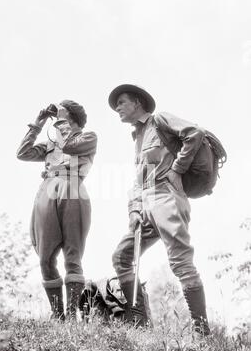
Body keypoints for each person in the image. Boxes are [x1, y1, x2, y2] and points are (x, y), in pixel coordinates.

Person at [108, 84, 210, 335]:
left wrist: (177, 169)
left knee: (181, 262)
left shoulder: (159, 121)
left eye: (121, 102)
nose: (117, 108)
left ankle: (202, 333)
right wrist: (133, 209)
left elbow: (194, 133)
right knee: (122, 257)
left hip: (167, 195)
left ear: (137, 103)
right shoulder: (138, 136)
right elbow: (139, 179)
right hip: (147, 204)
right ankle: (141, 325)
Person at [16, 100, 97, 320]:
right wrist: (38, 123)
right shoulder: (52, 143)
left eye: (62, 113)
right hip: (48, 190)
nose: (57, 117)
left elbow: (71, 146)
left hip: (72, 186)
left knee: (73, 254)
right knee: (45, 256)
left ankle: (71, 316)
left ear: (71, 116)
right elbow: (23, 153)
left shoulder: (88, 137)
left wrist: (61, 119)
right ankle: (58, 315)